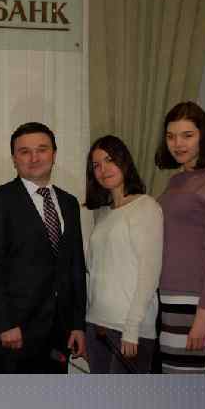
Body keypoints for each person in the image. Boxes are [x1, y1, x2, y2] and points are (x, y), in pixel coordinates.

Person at [0, 122, 87, 374]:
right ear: (14, 159)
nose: (34, 158)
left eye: (42, 150)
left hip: (59, 333)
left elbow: (76, 267)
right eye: (24, 151)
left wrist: (78, 324)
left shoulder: (69, 203)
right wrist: (4, 324)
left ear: (54, 154)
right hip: (15, 333)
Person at [154, 102, 205, 374]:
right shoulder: (175, 181)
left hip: (194, 300)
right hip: (169, 294)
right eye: (171, 136)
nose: (178, 144)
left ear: (203, 137)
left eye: (187, 135)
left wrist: (203, 313)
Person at [84, 136, 163, 374]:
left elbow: (150, 272)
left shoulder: (146, 207)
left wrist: (132, 327)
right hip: (96, 325)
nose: (103, 169)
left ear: (124, 161)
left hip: (129, 328)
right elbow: (95, 272)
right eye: (96, 165)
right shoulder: (103, 213)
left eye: (109, 160)